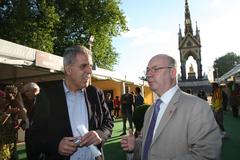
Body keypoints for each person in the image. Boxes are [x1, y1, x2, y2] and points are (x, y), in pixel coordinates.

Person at [121, 54, 221, 160]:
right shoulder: (150, 110)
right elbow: (148, 144)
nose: (148, 75)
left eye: (155, 69)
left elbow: (207, 155)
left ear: (172, 73)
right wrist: (135, 146)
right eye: (147, 70)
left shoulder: (197, 107)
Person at [30, 45, 113, 160]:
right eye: (84, 66)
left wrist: (100, 134)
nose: (89, 71)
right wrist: (56, 145)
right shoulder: (47, 97)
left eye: (90, 66)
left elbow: (108, 122)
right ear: (68, 69)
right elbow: (34, 136)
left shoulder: (96, 93)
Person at [21, 82, 48, 160]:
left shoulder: (43, 101)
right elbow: (30, 116)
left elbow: (43, 120)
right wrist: (24, 122)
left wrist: (30, 125)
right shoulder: (33, 102)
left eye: (27, 91)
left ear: (35, 90)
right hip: (31, 140)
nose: (25, 94)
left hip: (39, 141)